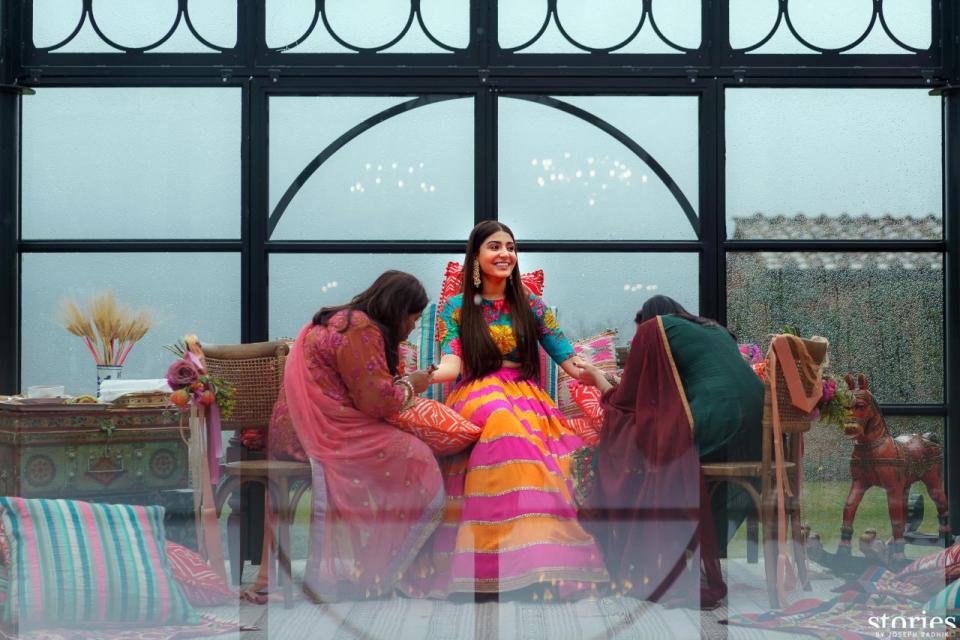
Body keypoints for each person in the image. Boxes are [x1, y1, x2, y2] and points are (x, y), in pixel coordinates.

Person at [422, 220, 609, 597]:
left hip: (527, 396)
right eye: (494, 247)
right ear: (476, 256)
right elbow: (452, 365)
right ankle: (493, 569)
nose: (505, 254)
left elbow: (570, 363)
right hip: (477, 391)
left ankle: (539, 569)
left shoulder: (532, 306)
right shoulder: (457, 307)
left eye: (510, 247)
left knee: (564, 453)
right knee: (504, 423)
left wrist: (609, 384)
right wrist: (419, 378)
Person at [580, 295, 763, 608]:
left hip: (718, 413)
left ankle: (659, 561)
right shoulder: (714, 330)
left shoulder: (654, 329)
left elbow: (625, 402)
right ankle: (690, 557)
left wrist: (598, 378)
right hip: (758, 421)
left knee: (636, 450)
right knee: (662, 448)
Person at [278, 270, 444, 601]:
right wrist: (414, 384)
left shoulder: (343, 320)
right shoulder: (361, 328)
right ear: (396, 309)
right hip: (330, 430)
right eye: (412, 318)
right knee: (417, 457)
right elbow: (376, 403)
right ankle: (375, 571)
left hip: (304, 427)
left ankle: (371, 566)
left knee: (408, 450)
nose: (412, 328)